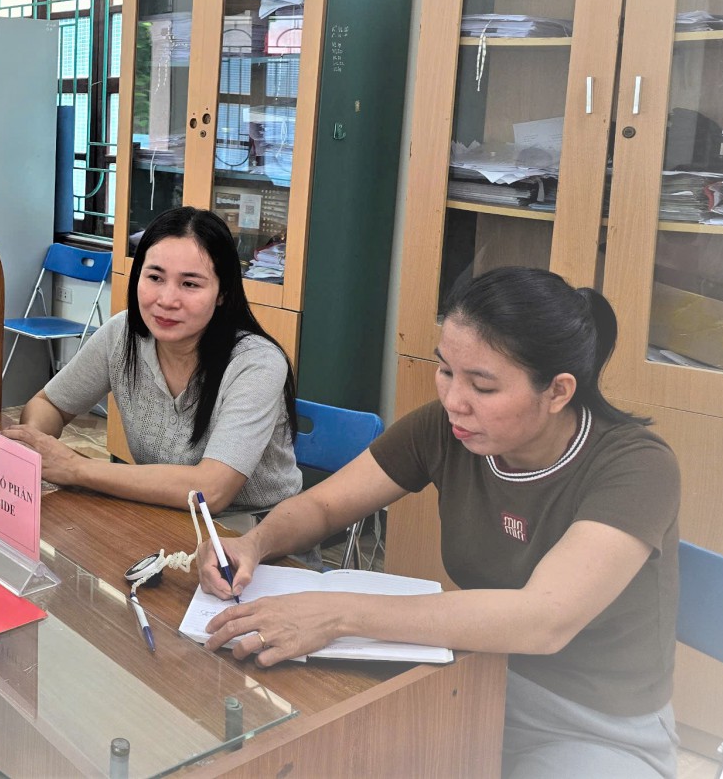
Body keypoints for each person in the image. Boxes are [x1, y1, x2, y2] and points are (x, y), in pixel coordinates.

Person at [198, 266, 680, 779]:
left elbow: (544, 619)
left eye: (483, 386)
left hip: (591, 728)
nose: (453, 401)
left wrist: (338, 615)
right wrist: (254, 543)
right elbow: (325, 507)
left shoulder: (636, 466)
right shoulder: (449, 429)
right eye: (446, 370)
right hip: (461, 678)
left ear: (558, 392)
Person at [4, 206, 302, 514]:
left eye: (190, 284)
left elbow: (211, 490)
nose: (166, 300)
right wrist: (36, 443)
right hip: (161, 513)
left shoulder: (256, 363)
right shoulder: (123, 334)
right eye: (155, 277)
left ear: (222, 292)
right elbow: (49, 404)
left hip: (250, 530)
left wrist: (74, 467)